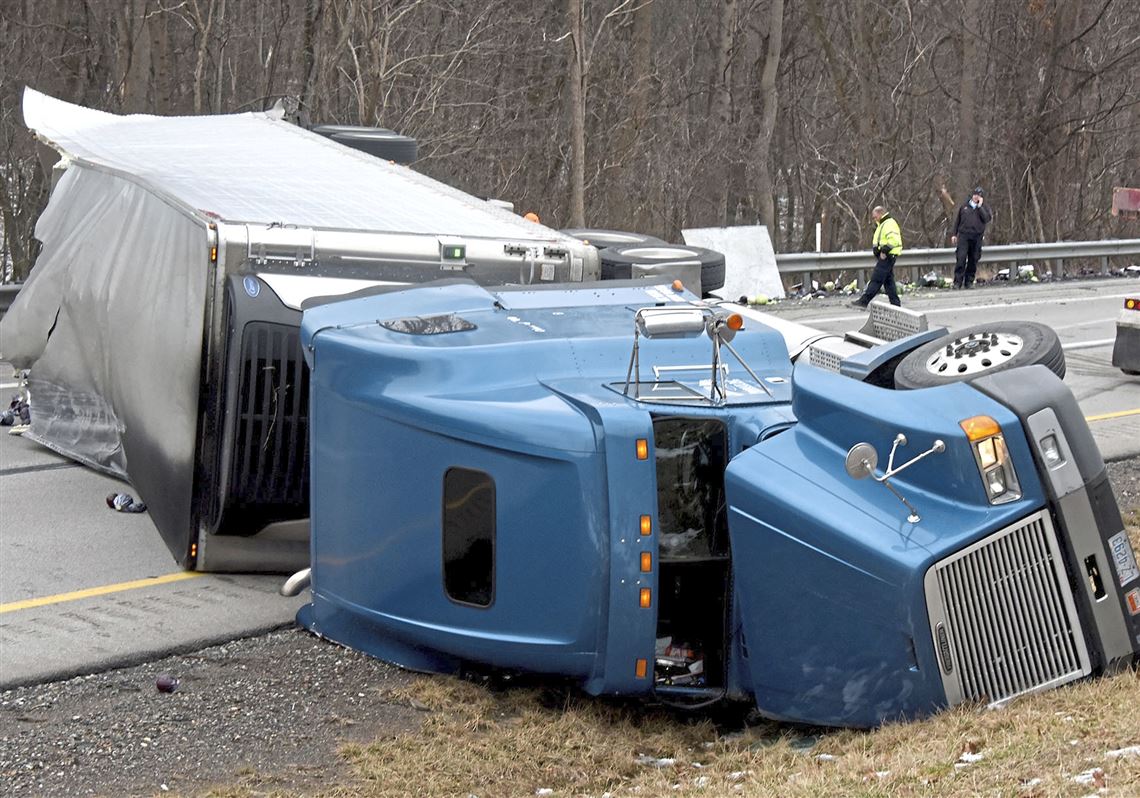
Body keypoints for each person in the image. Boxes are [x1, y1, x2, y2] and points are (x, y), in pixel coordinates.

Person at [851, 205, 902, 308]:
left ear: (880, 213)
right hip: (886, 256)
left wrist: (884, 251)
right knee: (889, 282)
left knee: (876, 279)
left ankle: (864, 301)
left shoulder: (889, 223)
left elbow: (894, 240)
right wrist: (877, 250)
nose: (874, 219)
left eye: (875, 217)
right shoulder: (883, 224)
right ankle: (896, 304)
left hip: (887, 256)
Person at [952, 186, 993, 288]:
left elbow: (986, 218)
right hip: (964, 236)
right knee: (961, 259)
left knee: (973, 260)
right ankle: (957, 282)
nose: (976, 197)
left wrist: (979, 207)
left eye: (979, 195)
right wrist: (954, 234)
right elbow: (957, 221)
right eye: (975, 195)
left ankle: (969, 281)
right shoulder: (964, 206)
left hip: (977, 237)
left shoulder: (984, 208)